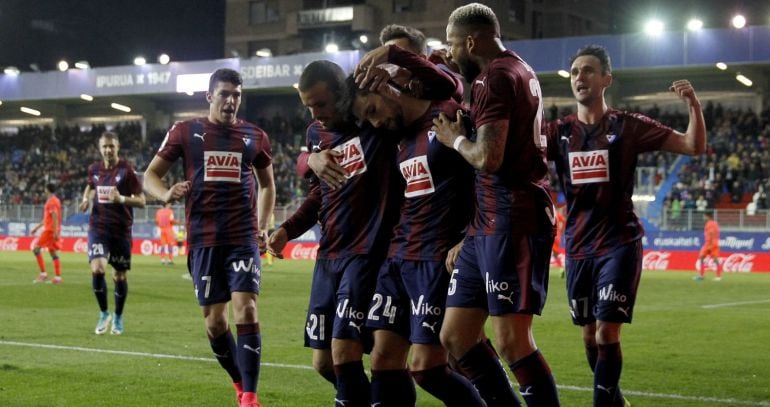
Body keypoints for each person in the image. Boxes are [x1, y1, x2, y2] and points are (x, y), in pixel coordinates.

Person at [545, 45, 706, 406]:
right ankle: (615, 400)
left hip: (619, 243)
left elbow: (693, 145)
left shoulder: (628, 126)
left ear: (606, 79)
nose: (579, 78)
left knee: (606, 333)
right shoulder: (557, 133)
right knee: (589, 337)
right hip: (578, 247)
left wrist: (693, 105)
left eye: (588, 71)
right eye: (574, 73)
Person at [430, 3, 560, 406]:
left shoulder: (496, 77)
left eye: (454, 45)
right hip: (486, 223)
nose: (451, 53)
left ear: (472, 40)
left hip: (513, 218)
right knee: (456, 336)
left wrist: (454, 140)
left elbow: (489, 157)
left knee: (512, 341)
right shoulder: (514, 69)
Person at [349, 47, 485, 406]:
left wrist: (470, 236)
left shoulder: (450, 117)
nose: (375, 123)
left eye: (374, 111)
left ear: (388, 88)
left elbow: (487, 178)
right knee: (382, 359)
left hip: (436, 260)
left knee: (426, 368)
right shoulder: (396, 136)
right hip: (398, 258)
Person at [266, 60, 403, 407]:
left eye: (321, 104)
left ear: (342, 93)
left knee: (344, 353)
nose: (316, 113)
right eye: (309, 106)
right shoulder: (316, 135)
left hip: (368, 252)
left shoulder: (375, 123)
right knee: (324, 362)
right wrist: (287, 228)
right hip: (329, 256)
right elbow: (318, 194)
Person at [143, 68, 276, 407]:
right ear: (210, 96)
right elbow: (150, 175)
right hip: (203, 239)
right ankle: (238, 381)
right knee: (215, 324)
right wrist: (165, 194)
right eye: (225, 94)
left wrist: (262, 225)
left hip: (242, 236)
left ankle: (250, 396)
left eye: (237, 95)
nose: (231, 100)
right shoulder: (186, 131)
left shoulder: (254, 136)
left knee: (246, 309)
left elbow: (267, 185)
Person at [78, 131, 146, 336]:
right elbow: (90, 186)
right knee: (98, 269)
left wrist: (122, 199)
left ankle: (117, 316)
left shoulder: (127, 171)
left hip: (121, 231)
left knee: (119, 275)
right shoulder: (94, 169)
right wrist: (85, 199)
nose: (108, 149)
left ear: (118, 147)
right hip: (98, 228)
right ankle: (104, 313)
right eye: (105, 146)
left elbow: (142, 200)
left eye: (111, 146)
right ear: (100, 148)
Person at [31, 183, 63, 284]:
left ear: (47, 190)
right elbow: (47, 218)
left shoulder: (51, 201)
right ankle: (57, 278)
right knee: (52, 252)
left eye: (45, 189)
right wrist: (37, 227)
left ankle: (43, 274)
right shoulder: (56, 200)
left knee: (36, 249)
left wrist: (54, 231)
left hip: (50, 230)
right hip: (52, 229)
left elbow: (54, 216)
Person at [695, 212, 721, 281]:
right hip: (715, 242)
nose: (703, 218)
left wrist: (709, 244)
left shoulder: (709, 224)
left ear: (708, 217)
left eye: (704, 216)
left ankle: (701, 275)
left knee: (702, 257)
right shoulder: (715, 223)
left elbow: (711, 233)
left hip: (710, 243)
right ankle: (718, 277)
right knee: (715, 260)